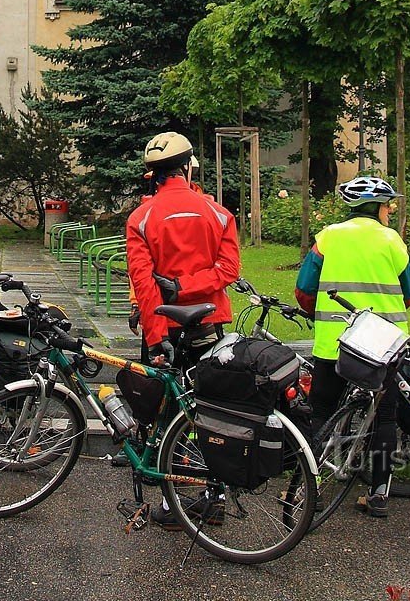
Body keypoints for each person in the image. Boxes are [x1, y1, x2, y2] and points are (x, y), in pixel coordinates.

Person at [126, 130, 241, 529]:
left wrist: (156, 335)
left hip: (164, 325)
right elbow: (230, 270)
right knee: (211, 409)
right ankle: (216, 495)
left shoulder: (140, 217)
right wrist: (190, 286)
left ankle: (172, 504)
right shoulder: (218, 213)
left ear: (152, 175)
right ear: (189, 167)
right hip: (210, 321)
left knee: (165, 412)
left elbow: (144, 284)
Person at [294, 174, 410, 519]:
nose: (390, 212)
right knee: (385, 417)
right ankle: (379, 493)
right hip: (383, 348)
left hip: (333, 344)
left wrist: (319, 313)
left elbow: (304, 289)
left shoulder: (327, 239)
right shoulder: (392, 241)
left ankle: (312, 488)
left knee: (321, 413)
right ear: (377, 208)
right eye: (388, 206)